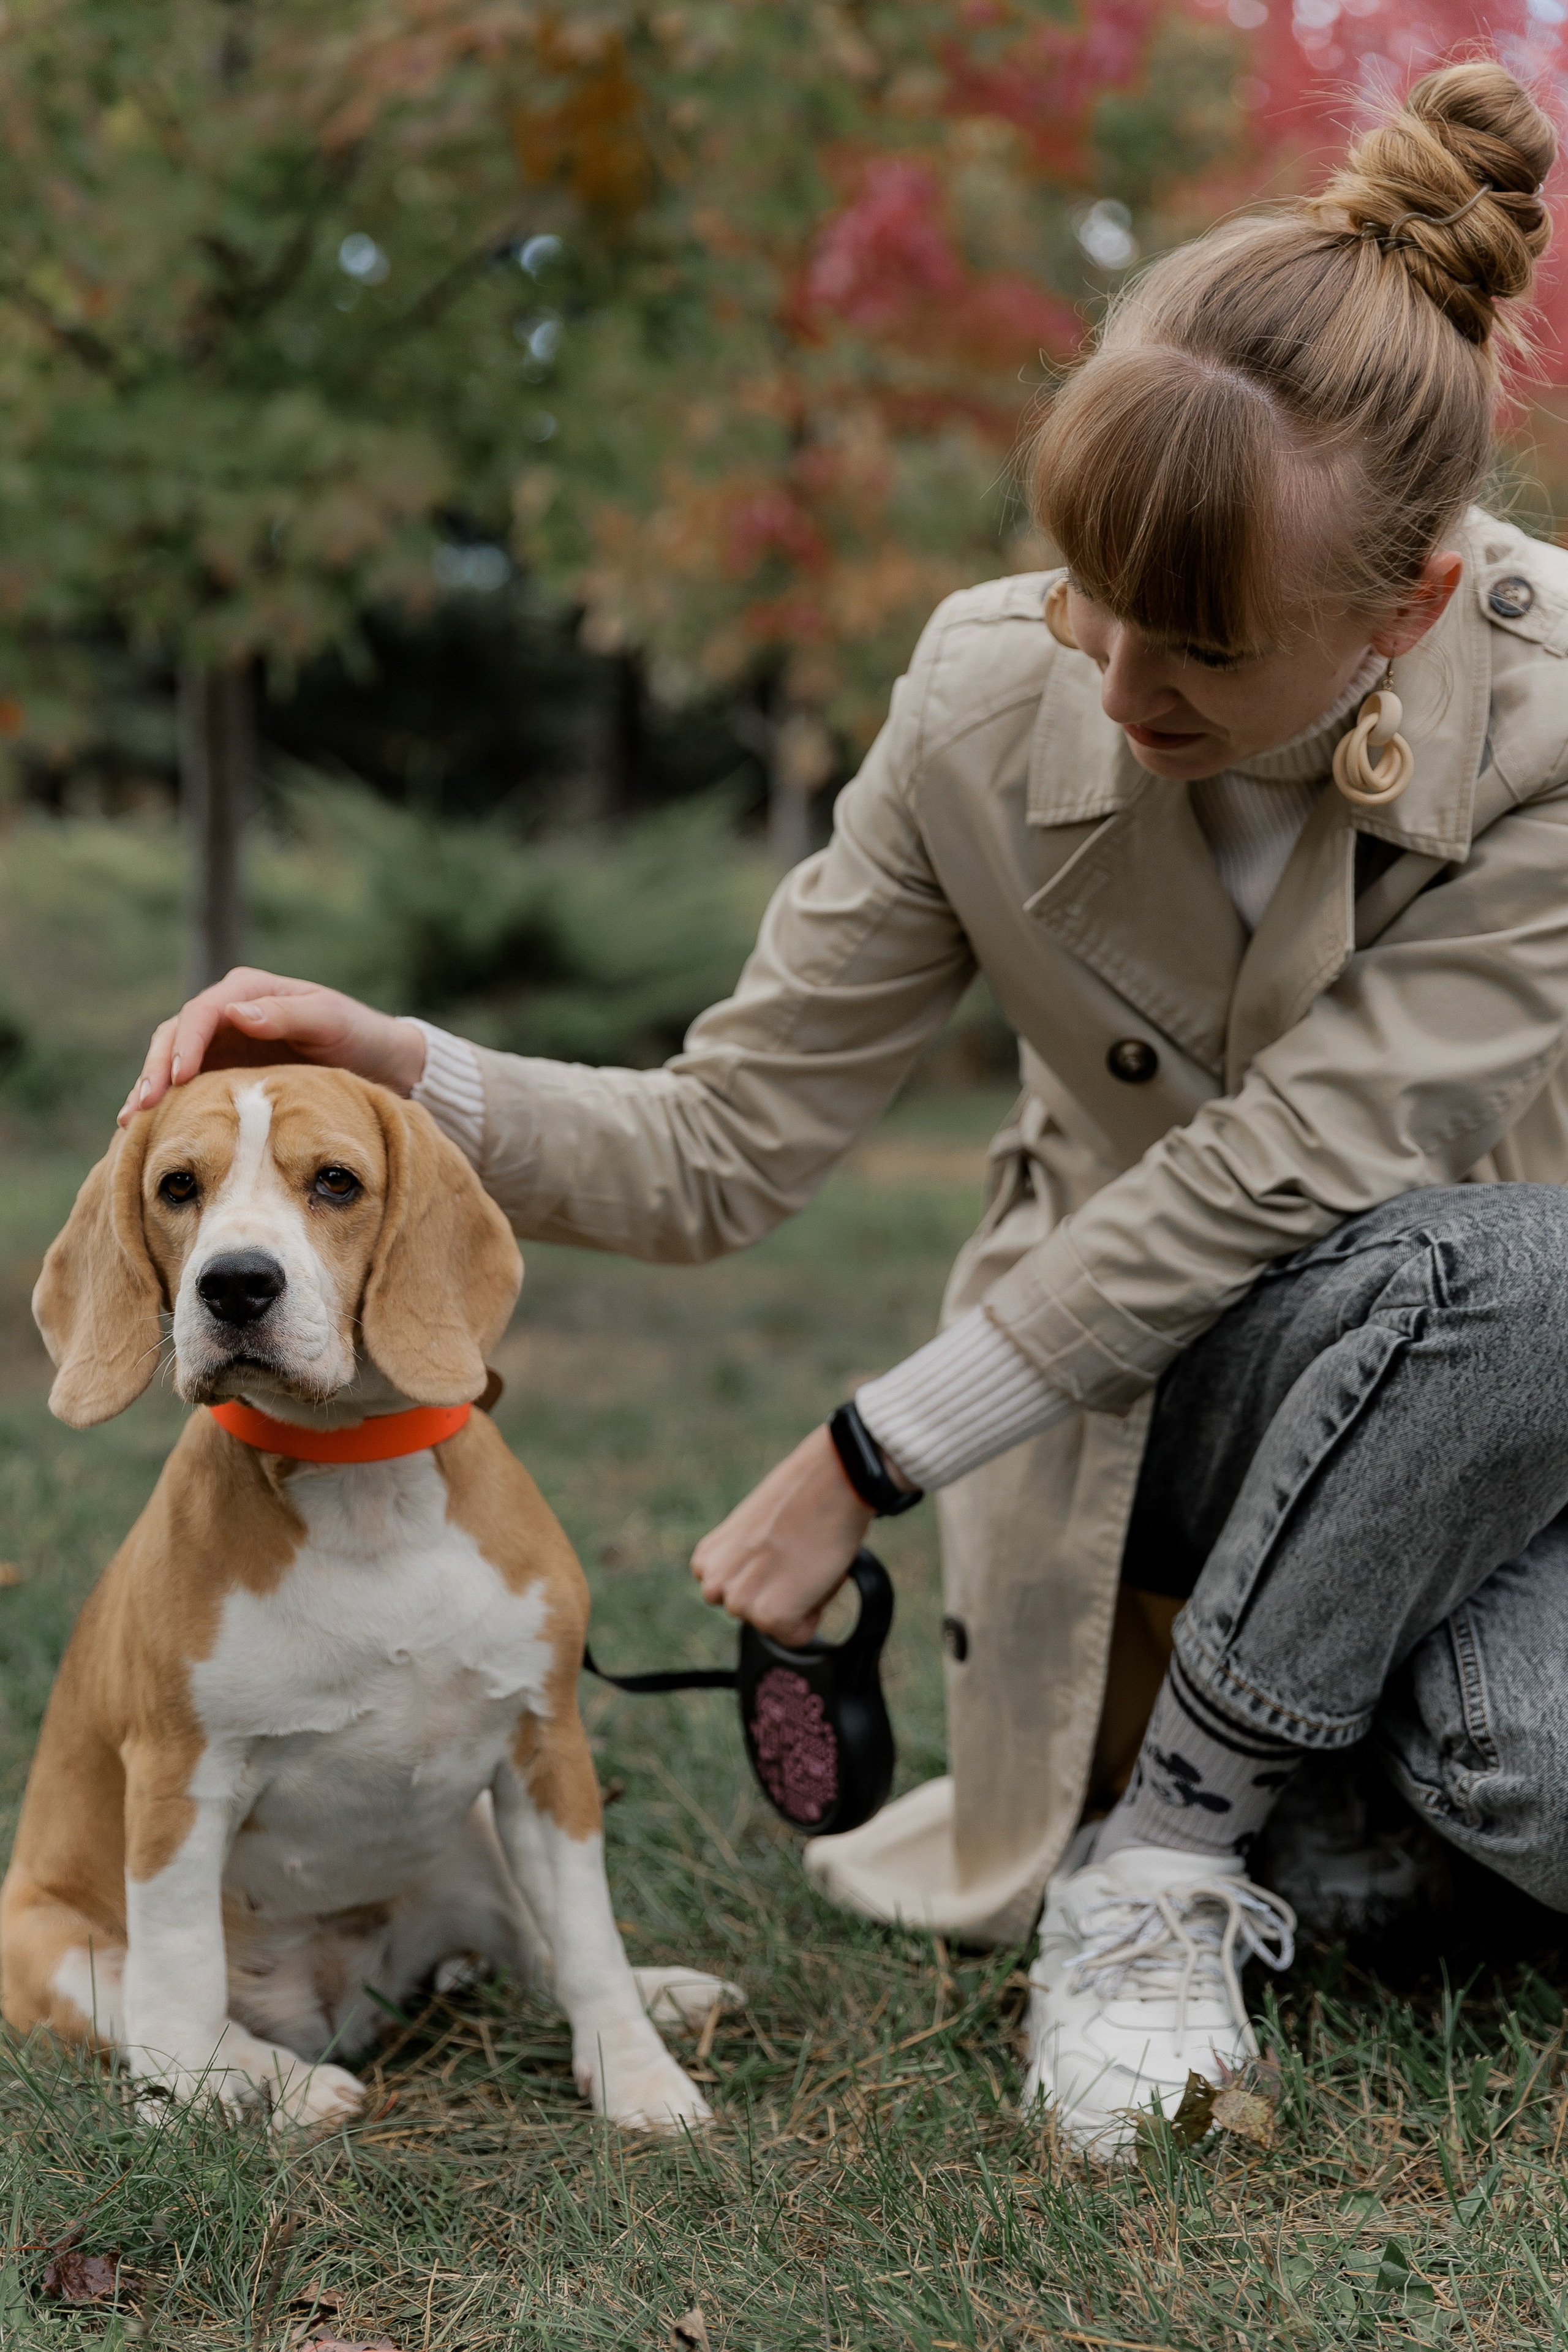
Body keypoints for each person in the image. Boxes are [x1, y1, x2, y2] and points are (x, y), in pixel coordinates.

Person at [124, 62, 1568, 2157]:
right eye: (1085, 588)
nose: (1115, 680)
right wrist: (406, 1064)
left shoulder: (1549, 727)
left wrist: (867, 1451)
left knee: (1530, 1646)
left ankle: (1356, 1824)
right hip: (1157, 1411)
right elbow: (722, 1143)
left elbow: (1298, 1162)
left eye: (1199, 645)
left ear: (1405, 611)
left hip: (1500, 1398)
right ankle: (1160, 1869)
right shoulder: (983, 699)